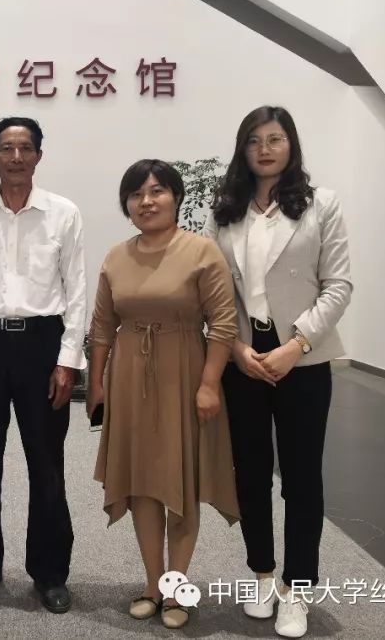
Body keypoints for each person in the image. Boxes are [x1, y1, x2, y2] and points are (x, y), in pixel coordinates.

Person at [202, 106, 352, 639]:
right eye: (254, 141)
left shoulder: (320, 204)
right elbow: (212, 289)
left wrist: (297, 343)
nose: (265, 150)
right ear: (242, 149)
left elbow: (338, 285)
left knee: (302, 477)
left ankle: (298, 588)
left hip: (301, 357)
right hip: (243, 357)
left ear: (291, 146)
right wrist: (236, 348)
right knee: (250, 472)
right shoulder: (225, 208)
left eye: (275, 139)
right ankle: (263, 576)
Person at [86, 159, 240, 630]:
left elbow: (223, 323)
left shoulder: (201, 251)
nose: (146, 201)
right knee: (142, 484)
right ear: (126, 204)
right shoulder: (116, 257)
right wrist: (97, 384)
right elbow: (102, 327)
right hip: (130, 377)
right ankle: (152, 584)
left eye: (157, 191)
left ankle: (177, 586)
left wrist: (209, 384)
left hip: (185, 372)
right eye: (136, 194)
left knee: (181, 482)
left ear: (176, 196)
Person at [0, 117, 87, 614]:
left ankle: (50, 573)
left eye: (26, 147)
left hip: (43, 346)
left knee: (46, 464)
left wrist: (68, 360)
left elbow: (77, 292)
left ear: (39, 156)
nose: (17, 156)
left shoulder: (63, 213)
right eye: (7, 148)